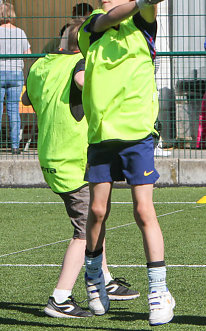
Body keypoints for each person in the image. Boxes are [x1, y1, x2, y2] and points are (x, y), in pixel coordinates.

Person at [77, 0, 175, 326]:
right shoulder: (92, 26)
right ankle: (93, 275)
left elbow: (152, 1)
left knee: (142, 210)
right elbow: (110, 17)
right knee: (98, 212)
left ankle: (159, 290)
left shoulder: (142, 25)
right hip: (102, 134)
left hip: (137, 135)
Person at [23, 19, 139, 319]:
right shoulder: (81, 64)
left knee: (94, 220)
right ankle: (59, 299)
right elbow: (83, 82)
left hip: (50, 155)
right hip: (73, 162)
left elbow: (27, 98)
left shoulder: (41, 65)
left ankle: (106, 280)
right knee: (84, 232)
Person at [0, 2, 32, 154]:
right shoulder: (20, 32)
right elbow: (28, 53)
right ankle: (15, 146)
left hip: (0, 72)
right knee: (13, 111)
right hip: (16, 73)